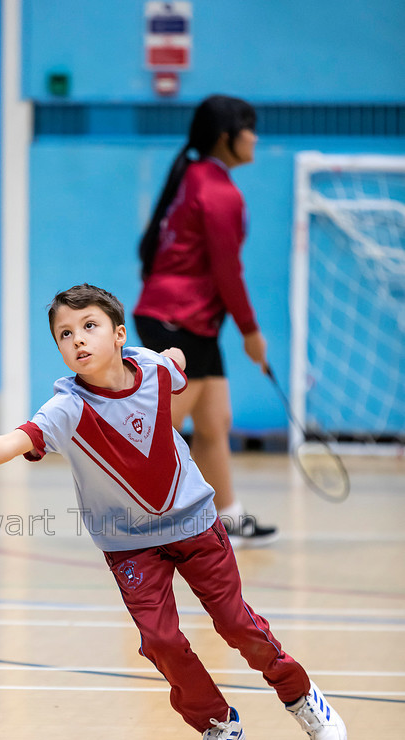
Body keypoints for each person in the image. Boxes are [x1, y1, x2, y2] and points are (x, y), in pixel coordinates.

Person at [0, 283, 347, 740]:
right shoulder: (66, 409)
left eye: (89, 327)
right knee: (160, 640)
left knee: (234, 623)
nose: (77, 340)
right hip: (129, 546)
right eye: (65, 334)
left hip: (194, 523)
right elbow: (14, 440)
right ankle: (217, 723)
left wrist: (175, 356)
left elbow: (175, 367)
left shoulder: (152, 369)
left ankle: (300, 696)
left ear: (119, 334)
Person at [133, 94, 277, 548]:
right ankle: (139, 521)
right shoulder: (218, 191)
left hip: (189, 319)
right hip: (178, 320)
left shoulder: (195, 177)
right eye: (248, 127)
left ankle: (228, 519)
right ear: (226, 137)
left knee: (215, 423)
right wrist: (252, 332)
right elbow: (227, 272)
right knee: (163, 428)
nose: (255, 136)